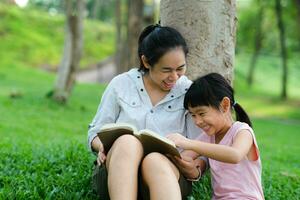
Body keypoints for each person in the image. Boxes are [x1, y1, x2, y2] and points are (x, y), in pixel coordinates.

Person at [87, 24, 206, 200]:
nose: (174, 77)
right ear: (146, 61)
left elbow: (202, 145)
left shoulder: (190, 92)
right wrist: (102, 145)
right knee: (128, 142)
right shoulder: (121, 84)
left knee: (155, 160)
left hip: (167, 178)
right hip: (116, 177)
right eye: (166, 70)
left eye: (180, 68)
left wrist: (197, 167)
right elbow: (94, 132)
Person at [167, 73, 265, 200]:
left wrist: (187, 142)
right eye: (193, 115)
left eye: (201, 113)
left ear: (224, 105)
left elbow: (234, 155)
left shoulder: (242, 131)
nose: (197, 121)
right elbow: (184, 157)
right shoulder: (209, 137)